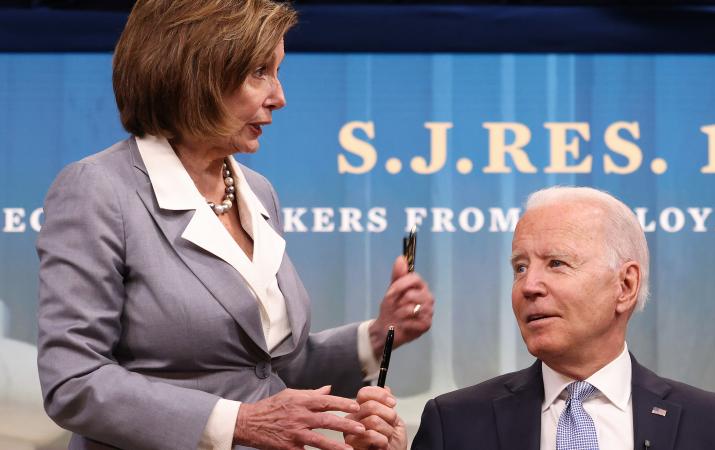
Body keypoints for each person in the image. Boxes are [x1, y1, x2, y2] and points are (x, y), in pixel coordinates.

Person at [36, 1, 431, 449]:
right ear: (195, 75)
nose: (279, 97)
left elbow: (265, 369)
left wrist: (377, 335)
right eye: (259, 72)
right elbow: (74, 381)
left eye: (277, 71)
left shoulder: (257, 191)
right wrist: (238, 422)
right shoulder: (98, 190)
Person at [355, 186, 715, 450]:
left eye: (556, 263)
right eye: (519, 267)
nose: (529, 285)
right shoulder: (456, 423)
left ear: (625, 286)